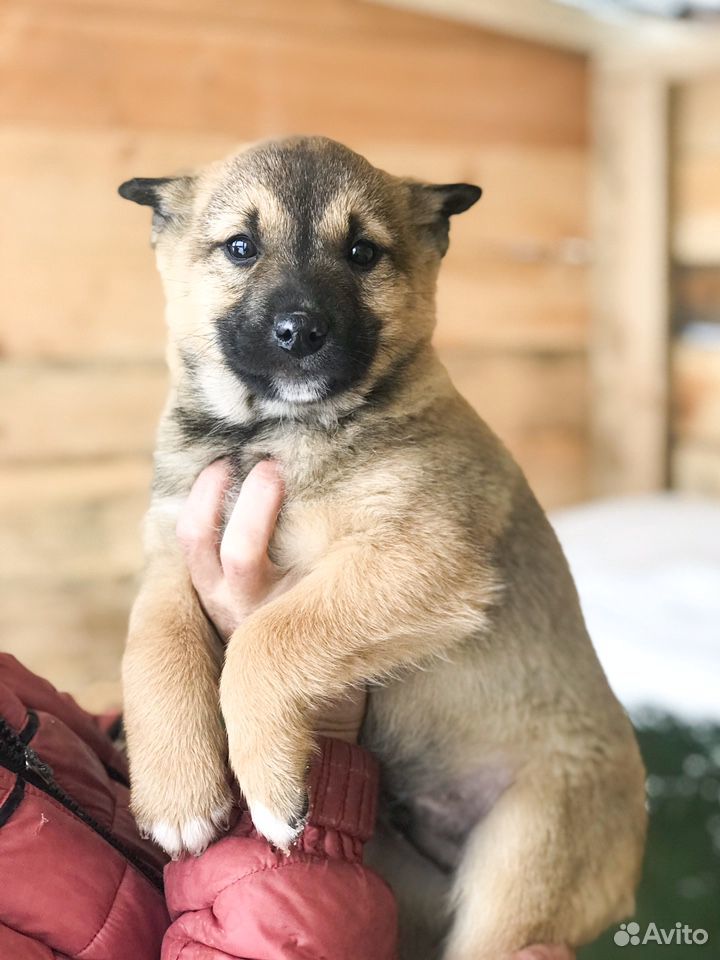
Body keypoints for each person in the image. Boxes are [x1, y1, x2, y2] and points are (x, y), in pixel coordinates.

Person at [0, 460, 574, 960]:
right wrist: (313, 724)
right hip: (309, 883)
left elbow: (75, 771)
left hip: (396, 854)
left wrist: (170, 720)